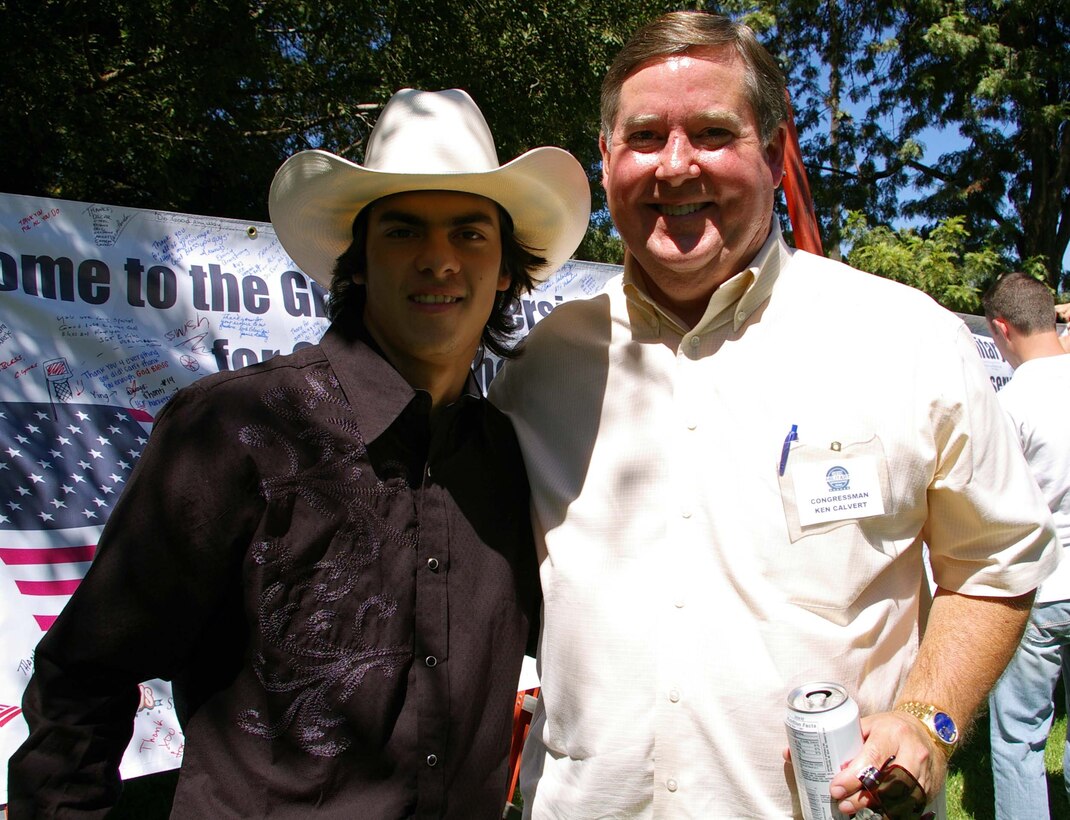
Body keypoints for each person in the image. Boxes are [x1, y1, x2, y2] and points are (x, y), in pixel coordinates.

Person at [488, 12, 1059, 818]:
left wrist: (928, 721)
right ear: (607, 157)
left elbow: (997, 564)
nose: (676, 166)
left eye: (714, 132)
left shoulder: (906, 339)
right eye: (645, 136)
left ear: (773, 148)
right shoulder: (542, 366)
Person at [7, 88, 590, 818]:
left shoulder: (507, 459)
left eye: (470, 234)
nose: (439, 260)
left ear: (507, 269)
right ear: (359, 263)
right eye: (404, 232)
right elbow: (81, 683)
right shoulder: (239, 429)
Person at [983, 272, 1070, 818]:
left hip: (1045, 584)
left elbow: (995, 510)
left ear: (1001, 329)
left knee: (1018, 733)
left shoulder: (1009, 405)